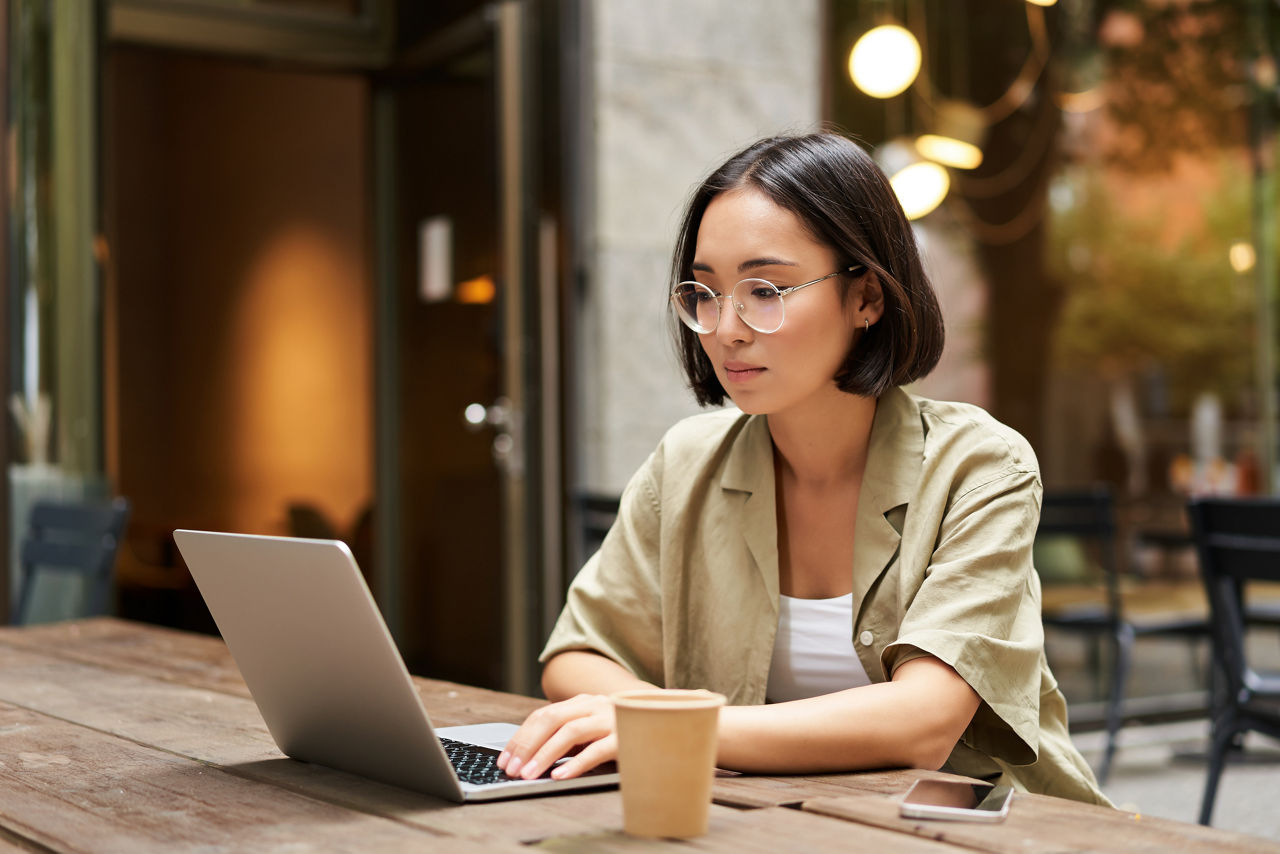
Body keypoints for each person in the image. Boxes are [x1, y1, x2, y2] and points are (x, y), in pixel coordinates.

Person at [495, 132, 1108, 805]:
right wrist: (662, 723)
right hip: (772, 827)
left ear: (867, 297)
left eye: (765, 289)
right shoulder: (686, 462)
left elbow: (924, 721)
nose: (726, 327)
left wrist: (673, 726)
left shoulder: (980, 465)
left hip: (988, 832)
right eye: (705, 291)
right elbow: (578, 656)